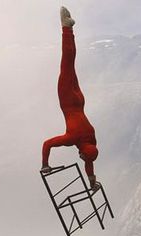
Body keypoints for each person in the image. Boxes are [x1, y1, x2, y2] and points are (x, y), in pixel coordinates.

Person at [42, 7, 101, 192]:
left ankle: (69, 29)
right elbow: (47, 144)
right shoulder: (73, 138)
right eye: (82, 156)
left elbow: (89, 161)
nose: (81, 157)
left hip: (79, 100)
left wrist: (92, 181)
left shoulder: (91, 139)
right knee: (66, 61)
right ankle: (66, 28)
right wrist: (45, 164)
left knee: (71, 62)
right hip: (67, 97)